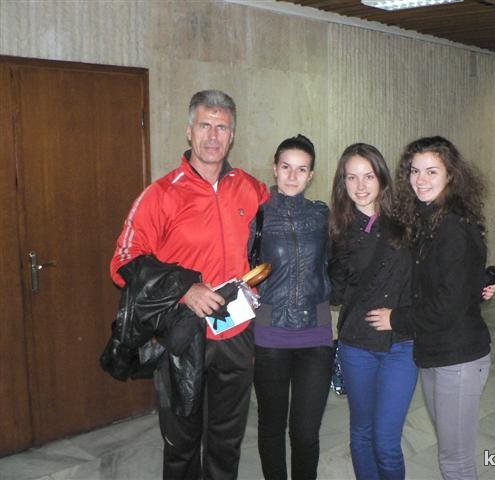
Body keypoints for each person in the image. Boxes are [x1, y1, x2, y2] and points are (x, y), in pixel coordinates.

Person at [110, 89, 269, 480]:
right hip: (181, 338)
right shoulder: (161, 194)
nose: (213, 136)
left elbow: (276, 243)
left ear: (232, 135)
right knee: (181, 445)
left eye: (222, 127)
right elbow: (123, 262)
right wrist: (183, 288)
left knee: (226, 441)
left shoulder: (251, 189)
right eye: (204, 125)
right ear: (189, 131)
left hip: (236, 335)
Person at [366, 136, 492, 480]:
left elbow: (446, 305)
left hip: (459, 357)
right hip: (434, 351)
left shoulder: (453, 226)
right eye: (414, 171)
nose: (420, 179)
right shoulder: (426, 219)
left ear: (451, 174)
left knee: (455, 460)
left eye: (431, 171)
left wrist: (395, 318)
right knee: (450, 452)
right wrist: (485, 279)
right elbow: (443, 279)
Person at [328, 143, 418, 480]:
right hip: (356, 344)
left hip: (402, 344)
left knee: (386, 441)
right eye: (351, 177)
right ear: (343, 183)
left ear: (381, 177)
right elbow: (335, 292)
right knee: (362, 434)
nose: (360, 185)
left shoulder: (408, 221)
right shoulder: (337, 230)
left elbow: (437, 270)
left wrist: (478, 282)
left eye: (368, 176)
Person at [251, 134, 334, 480]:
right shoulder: (258, 215)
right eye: (286, 167)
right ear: (275, 168)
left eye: (301, 169)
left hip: (316, 335)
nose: (292, 176)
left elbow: (339, 264)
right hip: (270, 334)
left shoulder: (321, 215)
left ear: (311, 175)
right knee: (272, 427)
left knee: (305, 432)